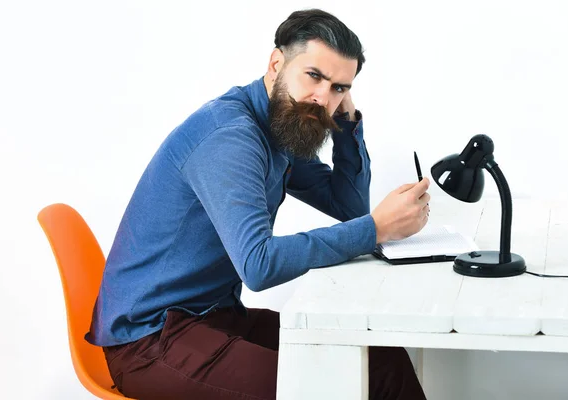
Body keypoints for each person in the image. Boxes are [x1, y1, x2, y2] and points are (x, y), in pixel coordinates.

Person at [86, 8, 430, 400]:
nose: (323, 97)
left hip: (213, 319)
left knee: (382, 363)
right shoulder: (232, 138)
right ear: (276, 63)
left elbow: (349, 207)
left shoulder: (282, 124)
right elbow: (259, 265)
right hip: (151, 341)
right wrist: (377, 229)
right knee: (330, 389)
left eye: (338, 87)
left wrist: (348, 122)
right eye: (314, 76)